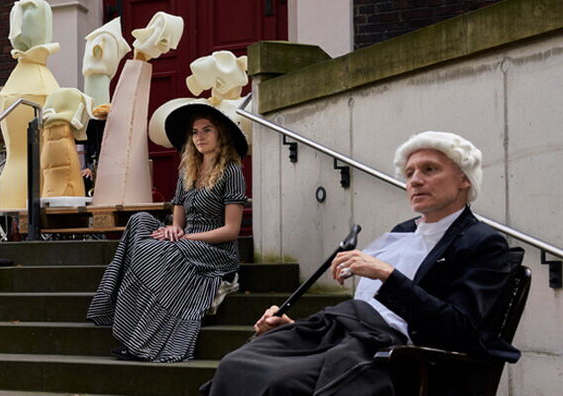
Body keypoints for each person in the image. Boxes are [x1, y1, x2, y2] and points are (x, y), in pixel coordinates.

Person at [202, 131, 520, 395]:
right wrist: (295, 327)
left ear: (464, 180)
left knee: (282, 383)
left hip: (398, 353)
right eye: (410, 173)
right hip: (344, 333)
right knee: (236, 365)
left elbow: (459, 328)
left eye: (429, 170)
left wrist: (387, 275)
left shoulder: (482, 242)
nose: (415, 181)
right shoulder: (402, 232)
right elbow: (368, 310)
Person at [86, 103, 249, 362]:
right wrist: (174, 229)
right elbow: (178, 221)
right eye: (195, 132)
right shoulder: (188, 170)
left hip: (217, 251)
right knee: (139, 222)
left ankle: (145, 343)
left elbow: (231, 230)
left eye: (207, 130)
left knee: (156, 251)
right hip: (186, 242)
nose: (200, 137)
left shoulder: (231, 171)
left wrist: (184, 237)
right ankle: (122, 312)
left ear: (221, 134)